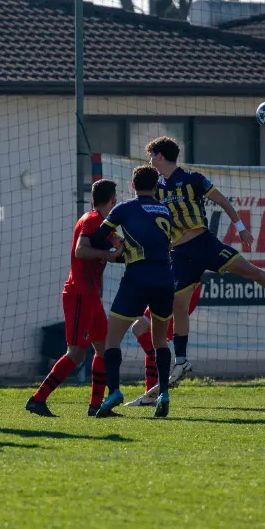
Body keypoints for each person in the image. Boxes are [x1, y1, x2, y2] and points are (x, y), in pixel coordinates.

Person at [146, 136, 265, 385]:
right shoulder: (156, 188)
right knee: (178, 307)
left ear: (160, 156)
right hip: (180, 255)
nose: (150, 161)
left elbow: (222, 201)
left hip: (205, 244)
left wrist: (241, 228)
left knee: (251, 270)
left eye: (151, 156)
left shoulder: (192, 178)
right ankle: (181, 362)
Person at [25, 179, 122, 418]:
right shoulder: (91, 221)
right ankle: (37, 400)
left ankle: (96, 406)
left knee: (104, 347)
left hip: (90, 296)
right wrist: (108, 255)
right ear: (112, 200)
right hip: (79, 294)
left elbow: (118, 245)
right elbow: (81, 250)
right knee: (76, 353)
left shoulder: (103, 223)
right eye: (116, 199)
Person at [90, 165, 176, 418]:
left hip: (137, 278)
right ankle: (163, 393)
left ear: (132, 185)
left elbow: (97, 238)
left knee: (111, 339)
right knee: (160, 340)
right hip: (164, 279)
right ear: (156, 186)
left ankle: (114, 391)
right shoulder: (165, 210)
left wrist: (120, 244)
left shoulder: (124, 208)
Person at [125, 286, 201, 406]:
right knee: (145, 332)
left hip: (180, 290)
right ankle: (151, 392)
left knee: (145, 332)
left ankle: (154, 393)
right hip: (170, 288)